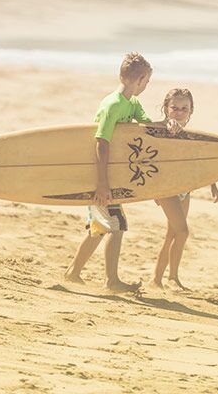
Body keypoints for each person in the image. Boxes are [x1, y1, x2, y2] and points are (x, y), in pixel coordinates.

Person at [64, 52, 153, 292]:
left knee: (100, 227)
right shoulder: (111, 105)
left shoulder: (131, 104)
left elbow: (147, 127)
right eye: (146, 82)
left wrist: (169, 124)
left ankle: (73, 273)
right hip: (98, 176)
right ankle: (111, 281)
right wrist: (101, 184)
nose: (145, 86)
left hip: (110, 176)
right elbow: (101, 143)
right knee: (117, 224)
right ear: (140, 80)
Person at [150, 87, 218, 292]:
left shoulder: (189, 135)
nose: (179, 112)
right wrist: (167, 123)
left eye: (184, 108)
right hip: (165, 189)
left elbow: (197, 162)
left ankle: (164, 278)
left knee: (172, 234)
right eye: (175, 108)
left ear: (191, 111)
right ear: (166, 108)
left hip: (183, 189)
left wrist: (213, 182)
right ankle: (165, 278)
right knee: (183, 231)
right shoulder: (163, 129)